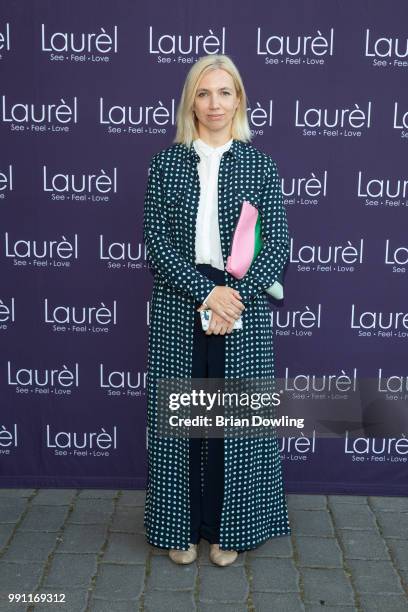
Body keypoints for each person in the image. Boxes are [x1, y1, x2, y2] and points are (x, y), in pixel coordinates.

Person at [143, 54, 291, 567]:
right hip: (181, 300)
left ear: (239, 100)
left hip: (241, 300)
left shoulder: (259, 164)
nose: (214, 104)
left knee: (236, 422)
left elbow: (277, 244)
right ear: (191, 102)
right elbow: (156, 243)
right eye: (204, 94)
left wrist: (235, 295)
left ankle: (231, 529)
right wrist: (205, 293)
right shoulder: (166, 164)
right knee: (181, 420)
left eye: (224, 93)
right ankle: (178, 528)